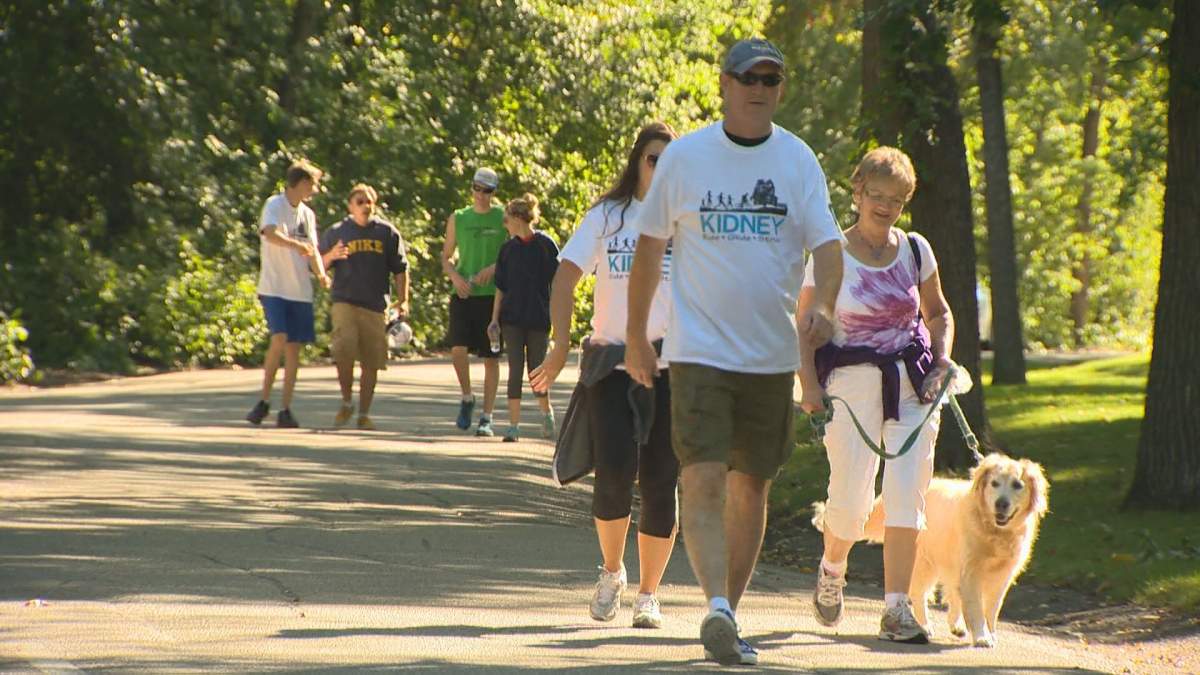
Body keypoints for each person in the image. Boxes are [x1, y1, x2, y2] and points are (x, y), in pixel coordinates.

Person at [624, 38, 845, 666]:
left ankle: (729, 615)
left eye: (771, 79)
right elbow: (649, 247)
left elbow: (829, 247)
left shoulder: (797, 159)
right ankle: (716, 605)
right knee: (701, 474)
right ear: (725, 83)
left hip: (771, 357)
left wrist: (826, 306)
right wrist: (637, 335)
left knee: (752, 485)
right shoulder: (687, 158)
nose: (759, 88)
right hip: (699, 351)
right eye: (749, 77)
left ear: (780, 88)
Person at [798, 147, 954, 644]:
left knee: (907, 492)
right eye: (877, 196)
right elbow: (805, 325)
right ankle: (832, 566)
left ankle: (896, 608)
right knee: (852, 502)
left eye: (896, 199)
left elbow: (938, 313)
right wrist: (809, 385)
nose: (885, 207)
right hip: (849, 383)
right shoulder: (830, 255)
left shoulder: (915, 250)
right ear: (858, 192)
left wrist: (943, 359)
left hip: (912, 382)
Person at [530, 121, 679, 629]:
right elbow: (565, 279)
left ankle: (649, 595)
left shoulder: (687, 220)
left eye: (670, 161)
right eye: (653, 159)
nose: (661, 168)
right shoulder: (607, 216)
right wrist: (559, 345)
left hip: (670, 366)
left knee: (661, 480)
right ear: (637, 161)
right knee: (613, 473)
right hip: (610, 364)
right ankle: (612, 572)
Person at [245, 159, 332, 429]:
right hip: (274, 287)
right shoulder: (274, 205)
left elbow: (312, 249)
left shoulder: (308, 214)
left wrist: (321, 274)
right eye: (313, 184)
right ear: (301, 183)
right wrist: (295, 245)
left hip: (300, 291)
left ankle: (285, 408)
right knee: (279, 338)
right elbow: (269, 233)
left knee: (294, 348)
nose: (315, 189)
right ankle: (263, 400)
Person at [320, 184, 410, 431]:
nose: (365, 206)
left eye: (369, 201)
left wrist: (403, 300)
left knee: (371, 361)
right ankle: (347, 401)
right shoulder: (338, 232)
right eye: (360, 201)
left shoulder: (386, 233)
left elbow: (401, 268)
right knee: (343, 351)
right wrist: (331, 256)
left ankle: (363, 413)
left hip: (375, 305)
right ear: (350, 206)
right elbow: (317, 264)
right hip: (345, 301)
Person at [441, 168, 507, 437]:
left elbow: (514, 252)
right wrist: (455, 277)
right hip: (464, 293)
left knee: (491, 358)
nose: (481, 194)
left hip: (493, 297)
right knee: (458, 349)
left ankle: (487, 418)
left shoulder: (503, 217)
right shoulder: (458, 218)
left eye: (487, 190)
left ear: (494, 192)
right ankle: (467, 397)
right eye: (477, 188)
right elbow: (446, 256)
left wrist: (495, 267)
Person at [489, 193, 559, 442]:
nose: (505, 225)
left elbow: (559, 283)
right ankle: (513, 426)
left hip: (539, 318)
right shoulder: (507, 249)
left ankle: (546, 412)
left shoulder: (545, 245)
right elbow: (500, 287)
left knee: (536, 369)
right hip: (511, 318)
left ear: (518, 219)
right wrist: (494, 319)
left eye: (506, 220)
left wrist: (559, 318)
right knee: (515, 369)